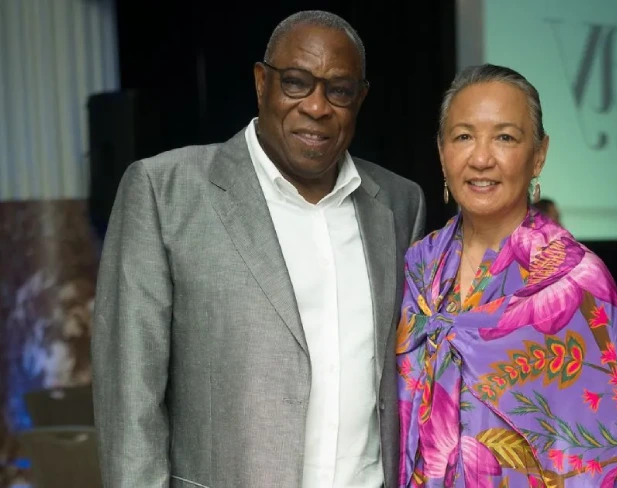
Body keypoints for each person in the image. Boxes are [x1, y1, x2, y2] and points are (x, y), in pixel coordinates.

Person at [91, 10, 425, 488]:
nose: (317, 106)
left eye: (339, 90)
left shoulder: (398, 203)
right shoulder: (165, 191)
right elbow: (129, 397)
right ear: (261, 82)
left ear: (360, 98)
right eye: (296, 83)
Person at [396, 64, 617, 487]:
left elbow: (613, 447)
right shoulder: (417, 267)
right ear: (442, 152)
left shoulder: (575, 282)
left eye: (505, 137)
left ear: (539, 154)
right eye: (463, 136)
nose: (481, 158)